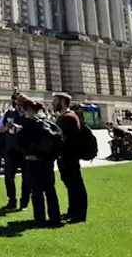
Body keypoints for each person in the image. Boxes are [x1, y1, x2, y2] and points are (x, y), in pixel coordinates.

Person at [15, 96, 62, 228]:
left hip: (33, 161)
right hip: (48, 161)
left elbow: (21, 144)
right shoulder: (48, 123)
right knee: (50, 190)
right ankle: (55, 218)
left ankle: (40, 219)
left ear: (29, 109)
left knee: (37, 192)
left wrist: (17, 133)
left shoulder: (29, 124)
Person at [52, 92, 87, 223]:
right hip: (67, 157)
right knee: (71, 186)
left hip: (69, 157)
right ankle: (72, 212)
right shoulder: (66, 117)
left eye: (55, 100)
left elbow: (64, 140)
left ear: (61, 102)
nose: (52, 103)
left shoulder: (68, 118)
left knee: (75, 186)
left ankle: (79, 214)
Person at [0, 92, 30, 211]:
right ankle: (12, 201)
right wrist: (7, 127)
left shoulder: (30, 114)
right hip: (11, 150)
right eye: (18, 100)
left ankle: (24, 203)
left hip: (26, 151)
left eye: (22, 100)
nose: (19, 103)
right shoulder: (9, 113)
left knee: (27, 178)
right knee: (9, 177)